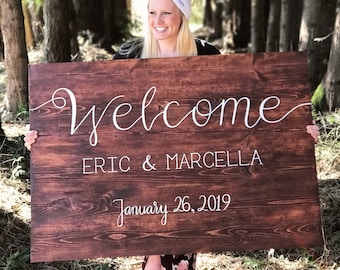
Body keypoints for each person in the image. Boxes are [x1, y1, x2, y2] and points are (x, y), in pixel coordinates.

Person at [24, 0, 321, 269]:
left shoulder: (206, 55)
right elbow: (95, 116)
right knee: (156, 257)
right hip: (141, 172)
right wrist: (46, 137)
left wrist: (295, 132)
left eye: (167, 12)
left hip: (193, 170)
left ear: (182, 15)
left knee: (179, 255)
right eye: (152, 12)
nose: (158, 20)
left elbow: (242, 118)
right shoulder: (129, 55)